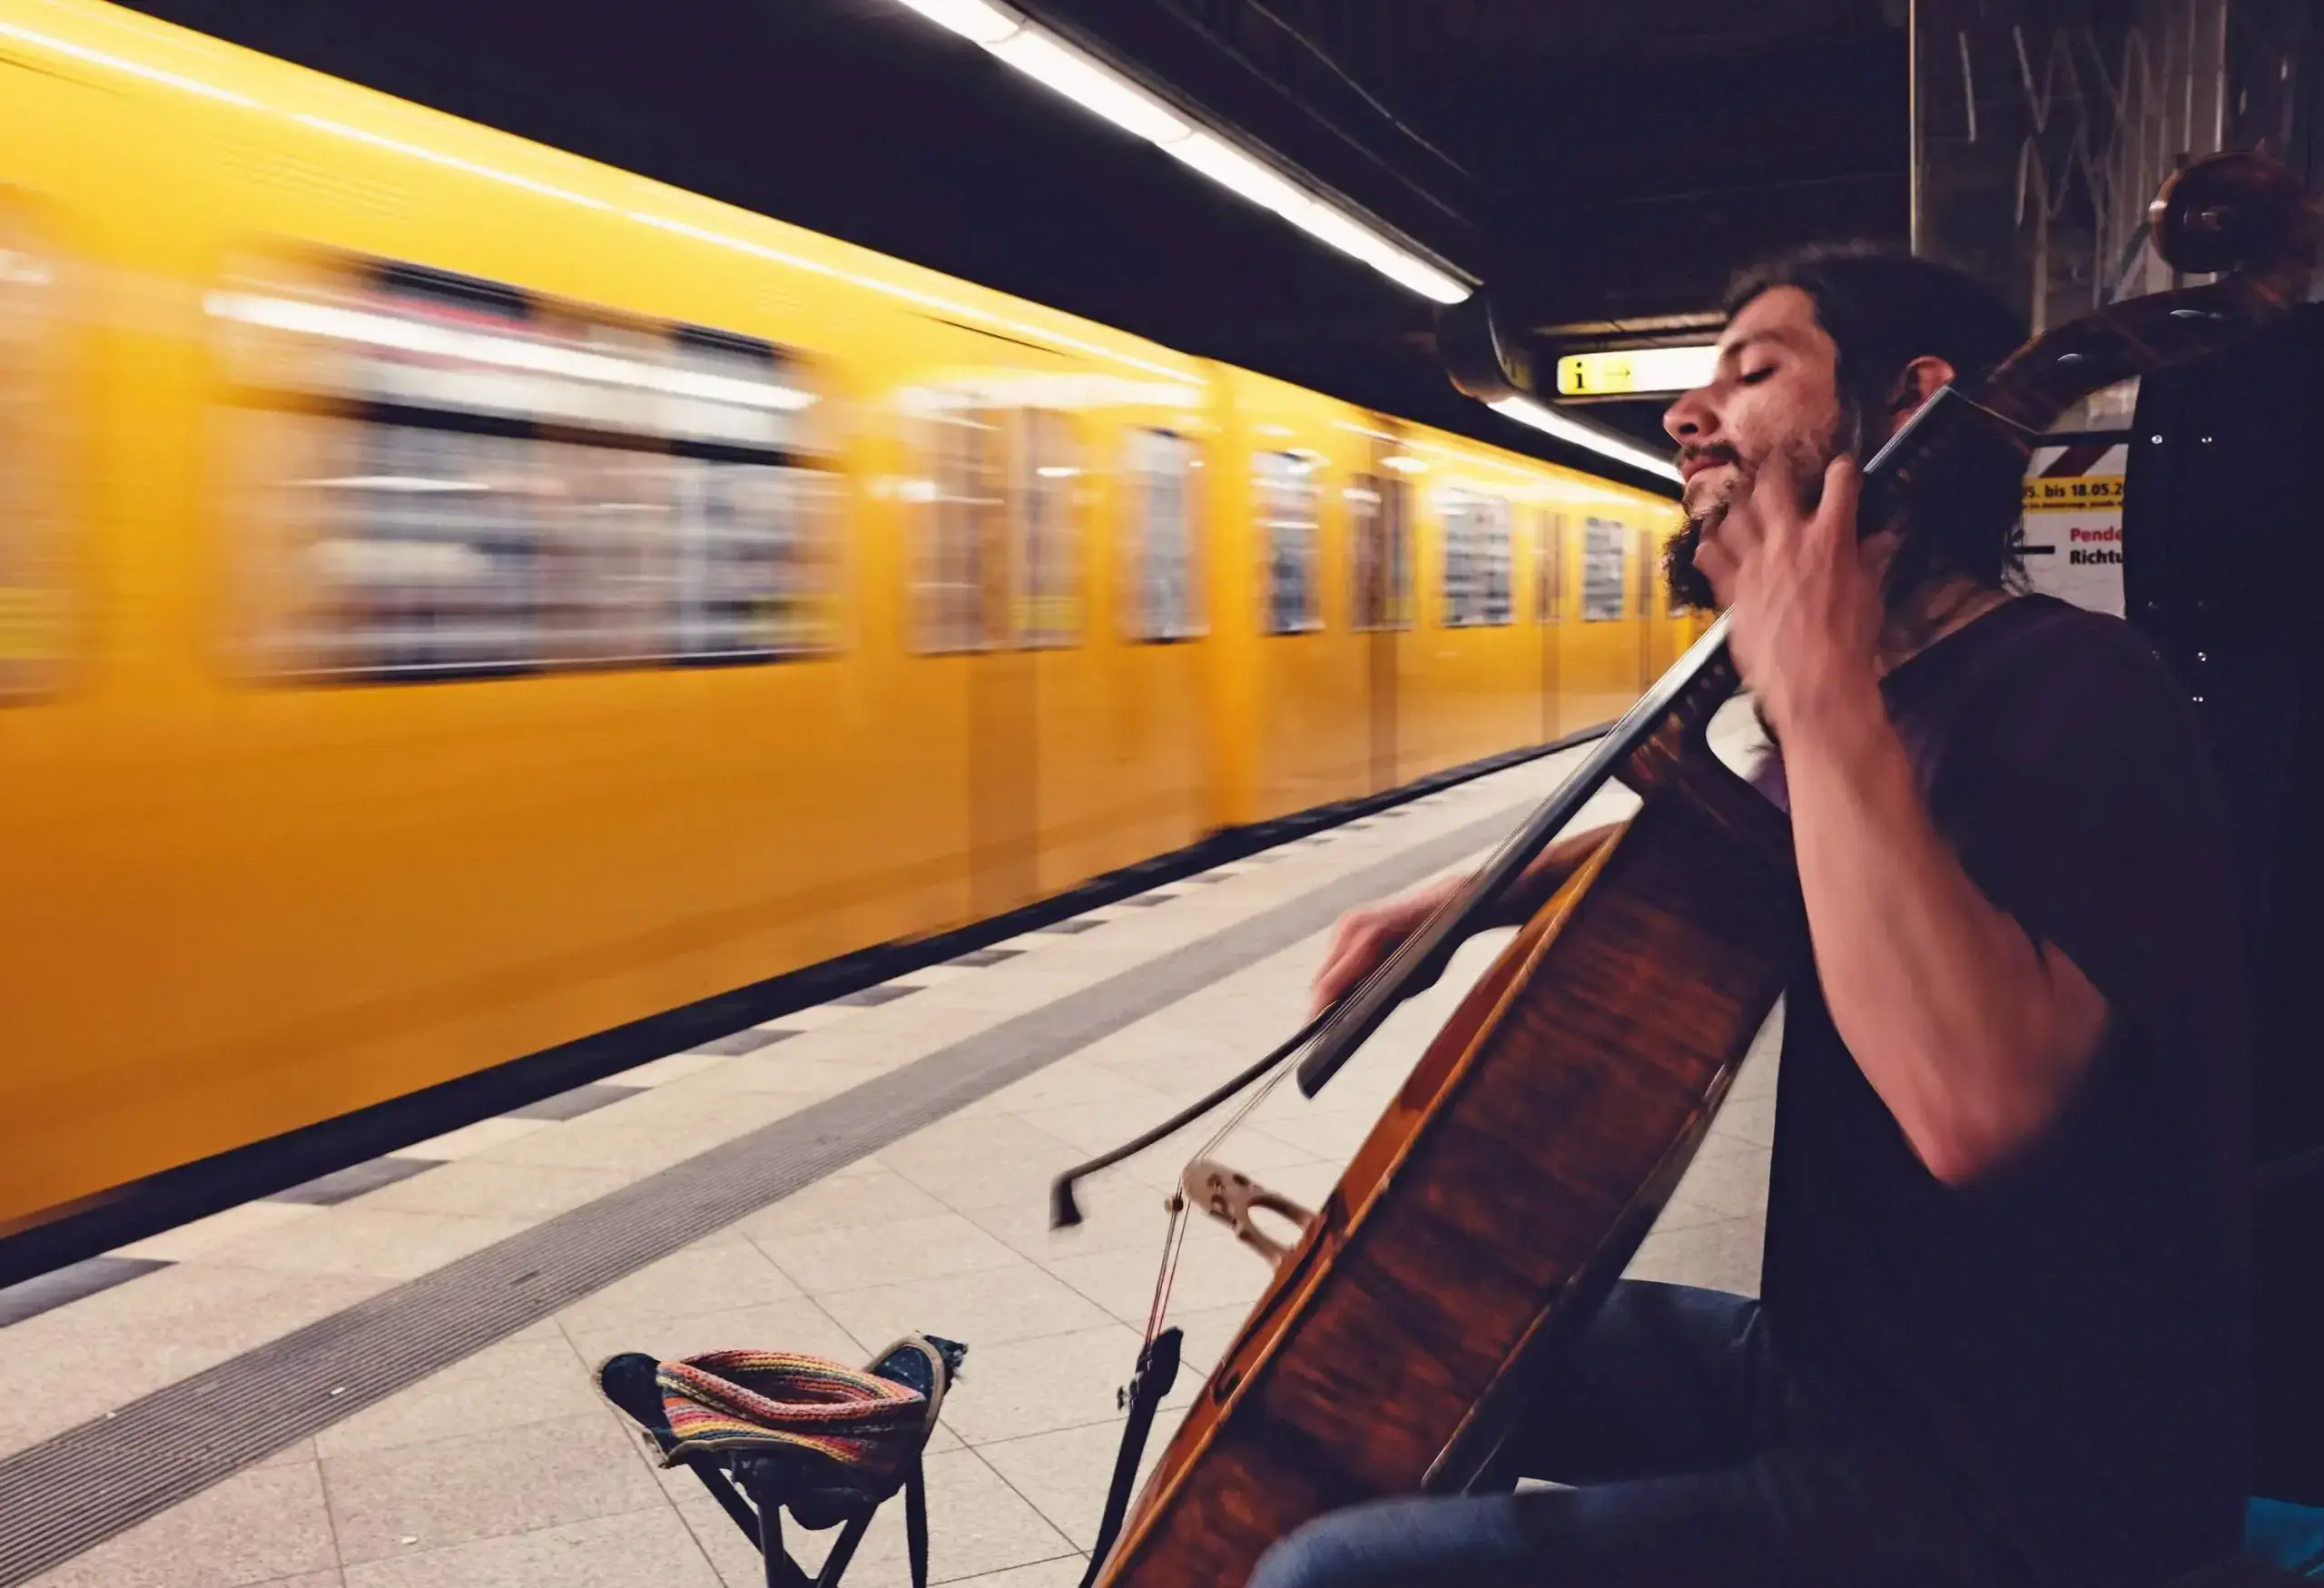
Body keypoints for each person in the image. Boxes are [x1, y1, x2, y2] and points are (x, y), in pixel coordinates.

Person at [1265, 247, 2251, 1588]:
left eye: (1752, 370)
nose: (1687, 413)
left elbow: (1980, 1107)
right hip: (1837, 1364)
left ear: (1908, 405)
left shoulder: (2075, 693)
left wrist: (1817, 686)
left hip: (2015, 1485)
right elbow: (1765, 840)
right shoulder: (1895, 706)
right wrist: (1461, 902)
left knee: (1332, 1578)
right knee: (1408, 1333)